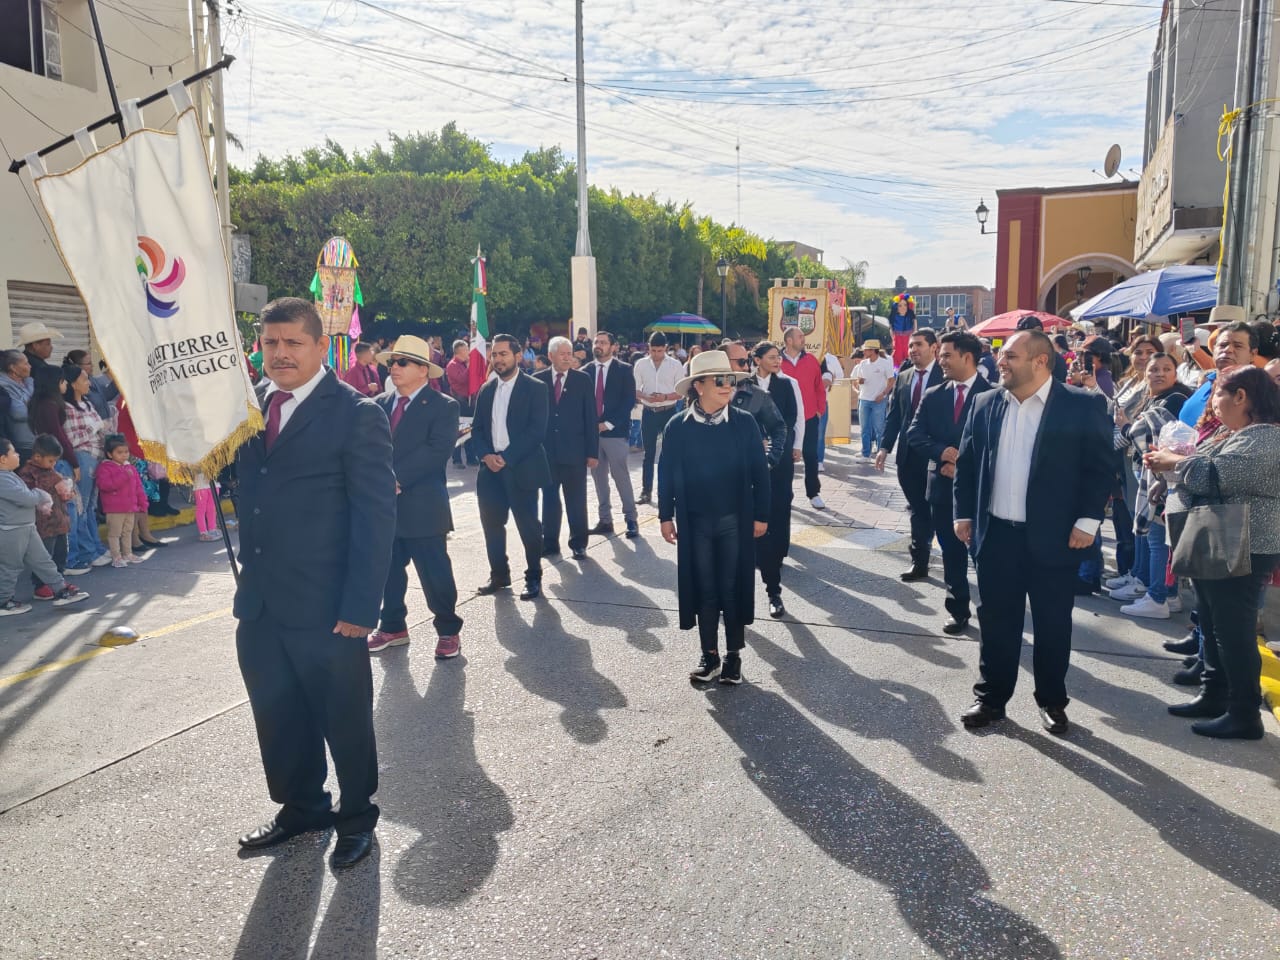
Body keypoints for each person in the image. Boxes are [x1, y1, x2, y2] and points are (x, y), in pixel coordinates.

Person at [233, 297, 396, 871]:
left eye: (292, 343)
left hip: (329, 608)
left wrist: (360, 607)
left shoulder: (356, 414)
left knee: (343, 717)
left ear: (321, 347)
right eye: (270, 343)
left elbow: (376, 518)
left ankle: (356, 817)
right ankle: (302, 806)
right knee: (278, 716)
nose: (279, 354)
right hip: (260, 604)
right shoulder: (249, 406)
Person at [953, 330, 1113, 735]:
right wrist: (963, 515)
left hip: (1056, 537)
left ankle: (1052, 701)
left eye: (1010, 356)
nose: (999, 362)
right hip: (997, 537)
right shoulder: (985, 403)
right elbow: (968, 464)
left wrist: (1088, 521)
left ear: (1041, 361)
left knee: (1052, 623)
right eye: (1001, 355)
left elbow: (1099, 468)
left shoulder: (1082, 405)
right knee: (996, 622)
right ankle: (991, 700)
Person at [1150, 366, 1280, 739]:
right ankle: (1214, 694)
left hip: (1245, 547)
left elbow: (1218, 475)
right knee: (1211, 622)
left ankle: (1243, 713)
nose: (1213, 404)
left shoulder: (1265, 438)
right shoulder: (1239, 433)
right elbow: (1200, 460)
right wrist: (1171, 461)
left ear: (1241, 397)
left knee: (1233, 632)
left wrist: (1174, 462)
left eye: (1218, 395)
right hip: (1223, 544)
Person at [658, 351, 770, 685]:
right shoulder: (677, 426)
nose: (727, 386)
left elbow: (760, 474)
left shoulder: (744, 422)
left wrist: (762, 514)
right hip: (695, 524)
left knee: (731, 587)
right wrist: (665, 516)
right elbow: (665, 474)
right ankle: (710, 656)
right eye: (719, 380)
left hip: (735, 519)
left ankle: (733, 655)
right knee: (704, 589)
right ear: (698, 386)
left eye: (730, 380)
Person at [366, 335, 464, 659]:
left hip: (423, 506)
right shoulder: (379, 404)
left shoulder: (443, 406)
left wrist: (395, 478)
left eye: (402, 362)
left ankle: (448, 629)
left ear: (424, 370)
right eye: (392, 362)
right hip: (384, 507)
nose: (394, 367)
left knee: (435, 574)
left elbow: (437, 450)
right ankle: (392, 626)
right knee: (388, 573)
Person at [906, 331, 992, 634]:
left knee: (985, 554)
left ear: (967, 357)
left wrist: (965, 466)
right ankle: (958, 609)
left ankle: (993, 610)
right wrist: (942, 453)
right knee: (951, 552)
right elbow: (915, 434)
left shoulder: (993, 395)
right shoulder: (934, 395)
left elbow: (998, 444)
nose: (940, 361)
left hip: (981, 492)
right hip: (942, 488)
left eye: (946, 355)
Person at [1107, 353, 1192, 618]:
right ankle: (1155, 588)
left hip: (1163, 478)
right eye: (1154, 369)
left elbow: (1138, 434)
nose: (1159, 373)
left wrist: (1127, 427)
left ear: (1176, 374)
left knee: (1157, 539)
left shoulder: (1176, 399)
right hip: (1147, 475)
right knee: (1149, 535)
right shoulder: (1153, 398)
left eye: (1167, 369)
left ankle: (1158, 596)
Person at [471, 333, 552, 600]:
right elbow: (478, 429)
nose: (498, 359)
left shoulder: (535, 387)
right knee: (492, 525)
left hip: (522, 467)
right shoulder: (486, 389)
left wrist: (506, 457)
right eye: (494, 354)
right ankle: (499, 575)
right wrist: (486, 456)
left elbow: (536, 431)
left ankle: (533, 576)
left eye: (503, 354)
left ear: (518, 356)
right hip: (490, 471)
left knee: (529, 526)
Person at [739, 341, 802, 618]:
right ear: (757, 359)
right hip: (745, 463)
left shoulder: (786, 385)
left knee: (777, 507)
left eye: (779, 357)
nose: (778, 361)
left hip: (779, 456)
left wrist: (781, 447)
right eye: (772, 357)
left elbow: (788, 420)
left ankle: (774, 576)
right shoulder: (739, 387)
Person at [876, 329, 943, 580]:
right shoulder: (903, 377)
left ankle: (941, 552)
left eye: (919, 345)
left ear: (934, 347)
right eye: (911, 345)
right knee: (917, 507)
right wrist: (884, 447)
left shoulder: (946, 376)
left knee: (935, 509)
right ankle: (920, 561)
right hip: (908, 455)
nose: (913, 349)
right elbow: (895, 416)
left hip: (936, 454)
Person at [0, 436, 88, 614]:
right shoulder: (3, 479)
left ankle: (61, 590)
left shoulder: (9, 476)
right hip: (12, 530)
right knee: (11, 566)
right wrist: (40, 495)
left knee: (44, 561)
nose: (18, 455)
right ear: (3, 459)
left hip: (26, 527)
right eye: (14, 452)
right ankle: (3, 601)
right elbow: (25, 498)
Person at [536, 336, 598, 561]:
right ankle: (550, 542)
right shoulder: (538, 380)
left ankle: (579, 543)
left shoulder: (582, 380)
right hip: (547, 454)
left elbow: (590, 417)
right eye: (562, 353)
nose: (566, 357)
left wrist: (592, 452)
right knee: (550, 500)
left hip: (575, 453)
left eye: (569, 353)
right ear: (551, 356)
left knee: (576, 501)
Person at [583, 331, 639, 539]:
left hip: (615, 433)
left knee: (620, 476)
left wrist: (607, 424)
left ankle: (631, 519)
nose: (598, 345)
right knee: (598, 479)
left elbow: (628, 401)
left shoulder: (624, 370)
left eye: (603, 342)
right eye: (596, 342)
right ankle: (605, 520)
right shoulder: (585, 371)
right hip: (592, 435)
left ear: (613, 347)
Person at [61, 364, 110, 570]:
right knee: (81, 507)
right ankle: (87, 551)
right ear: (73, 384)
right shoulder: (67, 408)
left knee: (90, 507)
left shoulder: (87, 403)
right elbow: (71, 438)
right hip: (83, 457)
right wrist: (96, 427)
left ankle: (96, 547)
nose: (89, 382)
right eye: (84, 379)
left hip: (96, 456)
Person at [632, 332, 683, 506]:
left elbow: (681, 391)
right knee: (649, 454)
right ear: (648, 348)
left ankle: (671, 491)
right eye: (653, 350)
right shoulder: (641, 364)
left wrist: (664, 397)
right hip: (649, 411)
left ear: (666, 348)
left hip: (668, 410)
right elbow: (634, 388)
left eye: (660, 350)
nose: (656, 354)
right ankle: (646, 491)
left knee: (670, 453)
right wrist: (645, 396)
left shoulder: (675, 365)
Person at [780, 327, 827, 509]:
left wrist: (819, 410)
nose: (803, 339)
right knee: (785, 458)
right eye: (800, 336)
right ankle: (786, 494)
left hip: (809, 417)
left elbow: (819, 388)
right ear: (789, 340)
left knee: (811, 455)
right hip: (784, 420)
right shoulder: (777, 362)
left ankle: (813, 493)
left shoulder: (812, 360)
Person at [1180, 319, 1258, 427]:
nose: (1228, 349)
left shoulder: (1257, 391)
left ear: (1253, 354)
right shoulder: (1207, 382)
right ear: (1214, 350)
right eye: (1222, 345)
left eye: (1238, 346)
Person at [18, 434, 72, 581]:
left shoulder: (52, 471)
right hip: (44, 525)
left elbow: (59, 490)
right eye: (50, 461)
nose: (53, 464)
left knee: (61, 553)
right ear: (37, 457)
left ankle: (59, 581)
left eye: (55, 461)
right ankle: (41, 585)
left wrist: (66, 491)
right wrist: (55, 483)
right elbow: (30, 494)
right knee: (44, 556)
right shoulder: (28, 473)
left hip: (60, 520)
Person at [95, 435, 148, 567]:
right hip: (114, 509)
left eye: (126, 452)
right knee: (114, 534)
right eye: (119, 452)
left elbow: (138, 487)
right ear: (109, 454)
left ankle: (127, 553)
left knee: (127, 532)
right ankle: (116, 557)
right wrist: (123, 475)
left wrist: (142, 503)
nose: (124, 455)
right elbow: (105, 485)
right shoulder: (105, 468)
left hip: (130, 507)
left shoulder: (130, 467)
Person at [851, 339, 895, 459]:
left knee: (879, 428)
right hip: (864, 399)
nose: (863, 352)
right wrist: (859, 381)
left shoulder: (885, 363)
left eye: (866, 349)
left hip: (879, 401)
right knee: (864, 429)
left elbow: (891, 380)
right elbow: (857, 379)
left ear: (872, 350)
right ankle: (865, 453)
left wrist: (884, 394)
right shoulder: (863, 364)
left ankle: (880, 454)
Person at [445, 339, 478, 468]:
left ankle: (470, 457)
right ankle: (457, 459)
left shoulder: (464, 363)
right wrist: (470, 367)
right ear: (460, 351)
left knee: (468, 430)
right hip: (459, 401)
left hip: (469, 401)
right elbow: (462, 379)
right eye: (466, 349)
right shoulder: (452, 365)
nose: (469, 352)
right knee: (459, 431)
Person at [0, 350, 35, 462]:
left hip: (38, 444)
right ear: (13, 368)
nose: (30, 366)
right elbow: (19, 412)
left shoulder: (30, 382)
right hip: (20, 447)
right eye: (25, 363)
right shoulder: (3, 386)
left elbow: (40, 408)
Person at [1014, 315, 1068, 382]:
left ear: (1038, 332)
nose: (1020, 339)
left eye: (1024, 335)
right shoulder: (1022, 356)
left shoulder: (1053, 358)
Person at [889, 294, 916, 365]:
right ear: (896, 307)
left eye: (905, 305)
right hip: (898, 339)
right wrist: (893, 339)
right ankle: (897, 371)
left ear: (908, 306)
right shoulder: (894, 317)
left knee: (909, 354)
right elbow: (891, 329)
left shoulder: (911, 317)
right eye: (900, 305)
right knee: (897, 354)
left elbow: (915, 328)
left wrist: (913, 337)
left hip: (909, 338)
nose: (903, 307)